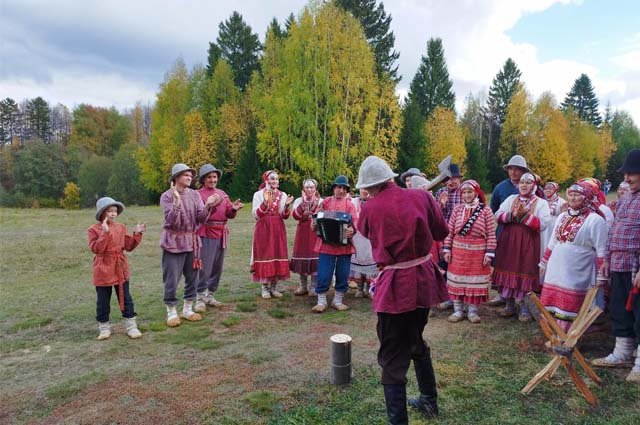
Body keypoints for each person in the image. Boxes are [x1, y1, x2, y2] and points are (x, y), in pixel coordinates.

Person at [356, 156, 448, 424]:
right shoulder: (421, 197)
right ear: (391, 177)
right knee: (415, 339)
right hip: (423, 280)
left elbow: (366, 232)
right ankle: (429, 401)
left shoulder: (371, 208)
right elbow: (440, 231)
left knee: (393, 358)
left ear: (370, 185)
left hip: (398, 286)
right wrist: (424, 202)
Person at [592, 149, 640, 384]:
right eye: (626, 174)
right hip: (619, 263)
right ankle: (621, 353)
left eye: (633, 174)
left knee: (639, 313)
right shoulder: (627, 197)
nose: (627, 178)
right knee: (620, 309)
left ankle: (639, 363)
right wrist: (607, 260)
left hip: (636, 266)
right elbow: (615, 230)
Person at [539, 182, 608, 333]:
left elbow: (602, 249)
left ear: (587, 198)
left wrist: (601, 277)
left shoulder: (595, 220)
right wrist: (543, 263)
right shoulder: (563, 216)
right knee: (554, 297)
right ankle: (553, 330)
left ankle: (570, 333)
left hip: (579, 268)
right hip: (556, 267)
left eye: (577, 195)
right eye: (570, 194)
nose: (572, 198)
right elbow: (553, 241)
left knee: (573, 301)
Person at [161, 163, 215, 327]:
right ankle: (171, 312)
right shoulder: (167, 196)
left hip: (192, 242)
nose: (190, 177)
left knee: (193, 276)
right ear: (176, 178)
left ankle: (187, 309)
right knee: (172, 278)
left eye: (191, 175)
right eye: (186, 175)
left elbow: (200, 218)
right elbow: (170, 221)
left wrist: (208, 206)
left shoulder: (194, 195)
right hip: (174, 242)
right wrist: (177, 202)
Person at [493, 172, 551, 321]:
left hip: (528, 242)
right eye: (522, 182)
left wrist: (525, 216)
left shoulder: (541, 203)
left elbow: (544, 223)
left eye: (528, 182)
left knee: (525, 269)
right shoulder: (511, 199)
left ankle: (524, 308)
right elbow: (498, 215)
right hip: (509, 241)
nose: (524, 185)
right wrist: (512, 215)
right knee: (508, 268)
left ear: (534, 185)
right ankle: (509, 305)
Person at [88, 197, 146, 340]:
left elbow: (128, 246)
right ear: (102, 212)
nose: (113, 214)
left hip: (120, 267)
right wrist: (105, 232)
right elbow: (96, 249)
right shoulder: (93, 230)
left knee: (126, 298)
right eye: (110, 211)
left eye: (115, 211)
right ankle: (104, 328)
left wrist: (137, 233)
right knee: (103, 300)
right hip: (103, 269)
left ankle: (131, 327)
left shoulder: (121, 227)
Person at [443, 180, 496, 323]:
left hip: (478, 253)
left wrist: (489, 253)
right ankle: (458, 311)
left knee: (474, 282)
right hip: (458, 252)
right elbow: (450, 232)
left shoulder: (485, 210)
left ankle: (472, 312)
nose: (466, 195)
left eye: (470, 192)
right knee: (456, 281)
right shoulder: (457, 209)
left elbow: (491, 233)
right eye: (464, 192)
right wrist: (447, 249)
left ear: (476, 192)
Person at [194, 164, 243, 312]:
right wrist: (211, 205)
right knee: (205, 266)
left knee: (217, 266)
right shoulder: (198, 194)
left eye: (214, 177)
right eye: (209, 177)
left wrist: (233, 209)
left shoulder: (222, 193)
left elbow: (228, 213)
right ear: (203, 179)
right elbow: (200, 215)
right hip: (206, 232)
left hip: (222, 233)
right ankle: (200, 297)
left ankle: (210, 294)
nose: (212, 179)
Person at [487, 154, 530, 307]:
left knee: (522, 264)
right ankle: (503, 295)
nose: (513, 172)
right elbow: (494, 209)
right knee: (503, 263)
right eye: (511, 169)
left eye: (517, 169)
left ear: (523, 171)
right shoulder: (500, 187)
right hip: (504, 230)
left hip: (525, 232)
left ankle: (523, 301)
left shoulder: (533, 187)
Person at [311, 175, 357, 312]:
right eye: (339, 187)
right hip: (326, 245)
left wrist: (351, 230)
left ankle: (338, 300)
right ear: (334, 188)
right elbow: (316, 217)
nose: (341, 190)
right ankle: (321, 301)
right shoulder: (325, 202)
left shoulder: (350, 205)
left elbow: (355, 221)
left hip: (344, 246)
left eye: (344, 188)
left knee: (343, 273)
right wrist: (314, 223)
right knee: (324, 273)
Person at [251, 170, 294, 299]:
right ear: (266, 180)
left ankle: (274, 288)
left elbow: (284, 216)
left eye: (276, 179)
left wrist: (286, 206)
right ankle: (265, 287)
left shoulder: (283, 194)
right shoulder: (258, 194)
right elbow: (255, 215)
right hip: (263, 227)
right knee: (265, 254)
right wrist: (264, 203)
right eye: (272, 179)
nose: (274, 181)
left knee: (277, 253)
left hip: (278, 227)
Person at [434, 163, 464, 310]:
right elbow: (433, 216)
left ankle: (460, 297)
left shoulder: (465, 191)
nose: (451, 182)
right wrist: (441, 204)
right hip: (443, 235)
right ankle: (446, 296)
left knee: (458, 265)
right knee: (443, 265)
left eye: (454, 178)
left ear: (459, 179)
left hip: (460, 236)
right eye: (447, 179)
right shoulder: (440, 192)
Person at [290, 178, 322, 296]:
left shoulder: (320, 201)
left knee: (315, 258)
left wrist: (310, 214)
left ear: (315, 188)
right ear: (303, 189)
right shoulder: (298, 200)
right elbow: (295, 215)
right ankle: (303, 286)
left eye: (312, 187)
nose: (309, 189)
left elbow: (321, 216)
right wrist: (304, 203)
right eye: (307, 187)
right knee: (302, 257)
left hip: (315, 232)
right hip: (302, 232)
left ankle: (313, 286)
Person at [350, 188, 377, 298]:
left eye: (367, 189)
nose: (365, 191)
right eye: (362, 189)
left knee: (370, 263)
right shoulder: (353, 202)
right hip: (357, 237)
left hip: (370, 238)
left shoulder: (376, 202)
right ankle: (360, 288)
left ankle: (369, 288)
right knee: (358, 264)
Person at [540, 182, 567, 258]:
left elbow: (565, 216)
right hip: (542, 229)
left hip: (553, 228)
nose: (547, 190)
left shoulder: (562, 202)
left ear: (555, 190)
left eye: (550, 188)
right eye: (546, 188)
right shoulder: (541, 201)